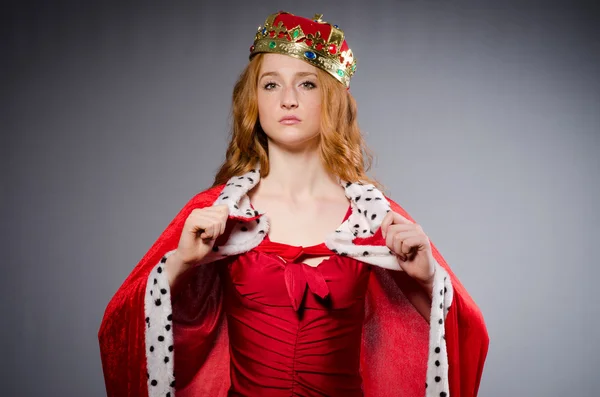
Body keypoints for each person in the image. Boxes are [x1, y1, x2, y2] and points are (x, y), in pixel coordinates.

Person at [98, 11, 489, 397]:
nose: (287, 100)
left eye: (306, 84)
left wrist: (426, 279)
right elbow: (120, 326)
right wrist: (181, 263)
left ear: (333, 99)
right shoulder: (219, 211)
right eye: (271, 85)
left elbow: (463, 333)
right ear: (253, 100)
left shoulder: (374, 216)